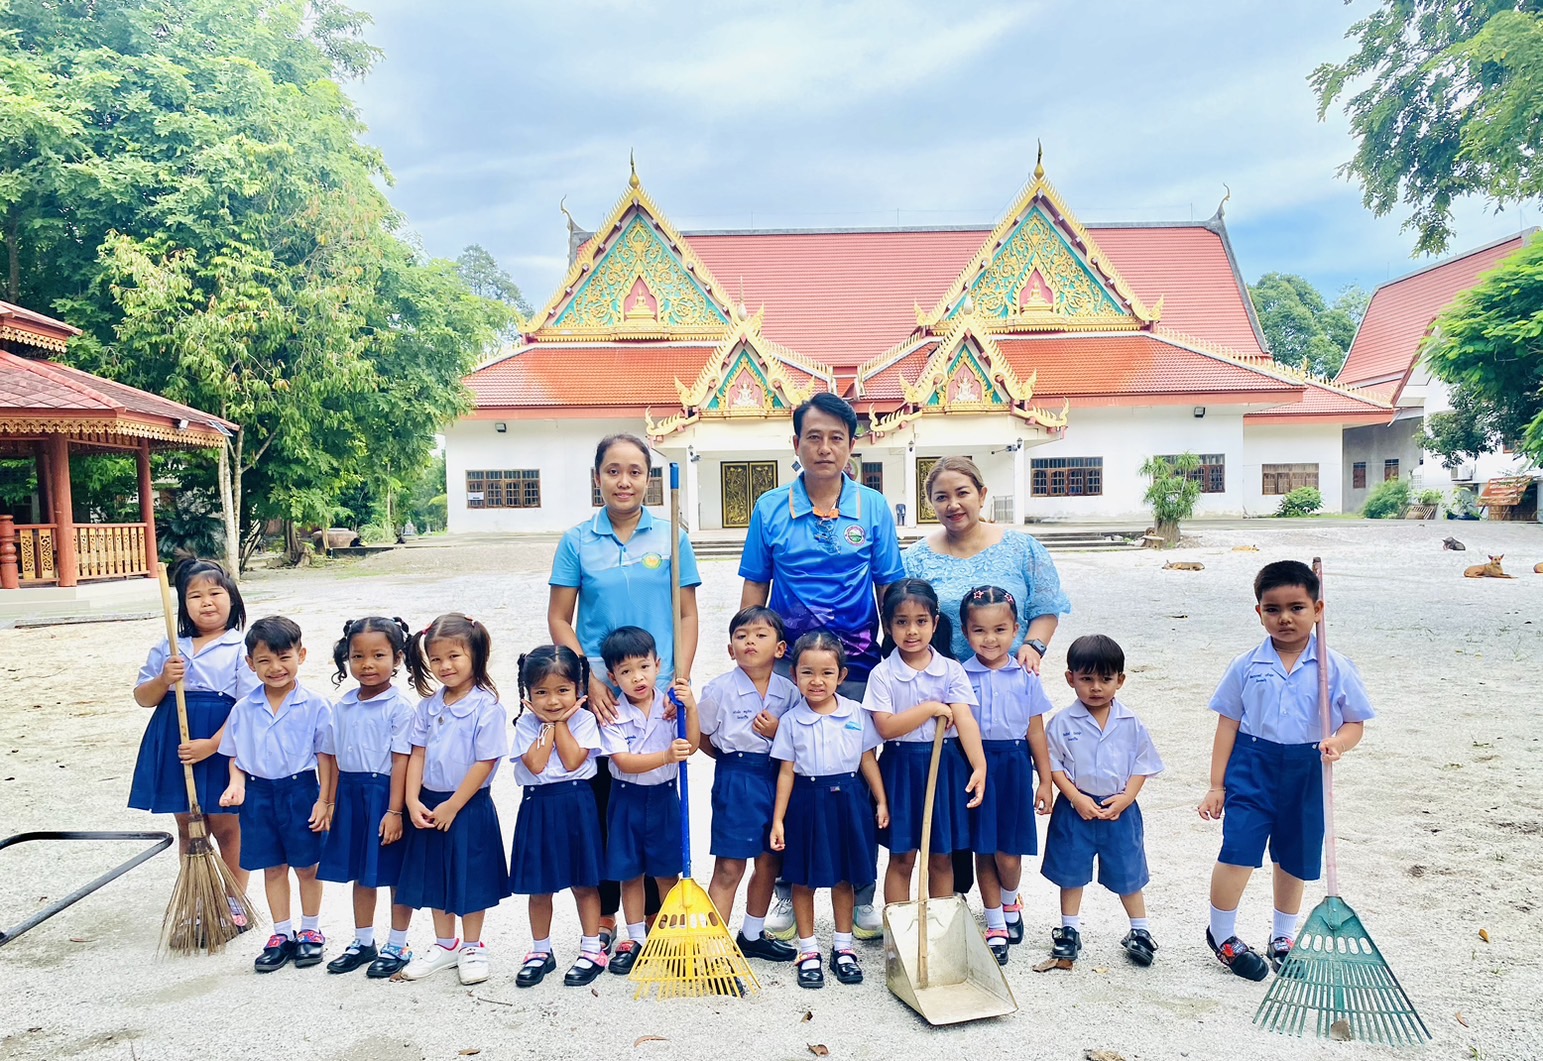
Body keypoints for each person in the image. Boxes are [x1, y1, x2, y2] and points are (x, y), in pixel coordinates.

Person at [739, 392, 905, 938]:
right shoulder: (770, 508)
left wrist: (897, 658)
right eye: (814, 436)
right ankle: (789, 888)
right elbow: (755, 590)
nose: (825, 447)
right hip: (789, 667)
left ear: (852, 446)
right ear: (796, 445)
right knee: (786, 770)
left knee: (856, 773)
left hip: (856, 665)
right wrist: (750, 657)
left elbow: (890, 591)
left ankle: (859, 890)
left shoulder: (873, 508)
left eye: (837, 437)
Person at [549, 433, 701, 947]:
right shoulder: (577, 541)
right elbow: (559, 618)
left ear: (648, 479)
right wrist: (587, 677)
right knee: (605, 800)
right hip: (601, 691)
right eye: (613, 471)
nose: (624, 481)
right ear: (597, 478)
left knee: (656, 799)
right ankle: (612, 916)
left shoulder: (670, 536)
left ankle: (659, 915)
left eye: (635, 471)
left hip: (655, 687)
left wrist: (679, 675)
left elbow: (686, 613)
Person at [904, 456, 1071, 899]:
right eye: (941, 497)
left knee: (995, 809)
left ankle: (1003, 902)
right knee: (949, 794)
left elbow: (1046, 609)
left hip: (1003, 684)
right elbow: (906, 617)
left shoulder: (1022, 549)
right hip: (941, 691)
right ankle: (953, 896)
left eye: (962, 493)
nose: (953, 504)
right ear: (930, 504)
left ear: (981, 494)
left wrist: (1032, 648)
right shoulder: (916, 558)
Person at [1198, 560, 1373, 981]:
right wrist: (1216, 785)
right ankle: (1221, 934)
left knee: (1294, 857)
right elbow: (1228, 725)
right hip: (1253, 765)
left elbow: (1355, 723)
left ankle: (1282, 936)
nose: (1285, 618)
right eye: (1273, 609)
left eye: (1297, 607)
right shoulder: (1246, 665)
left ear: (1318, 609)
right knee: (1238, 850)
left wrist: (1339, 743)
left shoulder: (1335, 667)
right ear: (1259, 612)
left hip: (1307, 770)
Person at [129, 558, 257, 925]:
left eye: (215, 593)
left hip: (220, 739)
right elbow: (143, 697)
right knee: (188, 823)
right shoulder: (170, 647)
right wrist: (164, 679)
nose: (206, 602)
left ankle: (236, 899)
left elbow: (247, 707)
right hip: (175, 736)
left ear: (232, 598)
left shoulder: (239, 648)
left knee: (226, 823)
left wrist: (213, 745)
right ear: (182, 605)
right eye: (195, 595)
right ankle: (197, 899)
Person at [395, 614, 510, 987]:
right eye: (437, 659)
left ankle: (473, 945)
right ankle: (445, 944)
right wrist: (412, 799)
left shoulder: (486, 706)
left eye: (454, 657)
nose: (445, 666)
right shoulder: (428, 706)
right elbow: (417, 754)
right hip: (429, 803)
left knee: (470, 875)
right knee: (433, 874)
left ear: (476, 655)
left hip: (467, 804)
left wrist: (454, 804)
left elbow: (485, 761)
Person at [216, 616, 335, 973]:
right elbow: (235, 756)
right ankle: (281, 933)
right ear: (250, 664)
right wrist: (236, 784)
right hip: (259, 794)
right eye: (264, 661)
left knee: (307, 866)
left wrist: (324, 800)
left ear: (301, 655)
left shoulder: (315, 705)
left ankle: (311, 931)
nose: (275, 668)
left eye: (284, 657)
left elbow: (327, 758)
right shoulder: (243, 709)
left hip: (300, 790)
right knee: (273, 866)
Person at [769, 631, 888, 989]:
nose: (816, 681)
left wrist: (880, 800)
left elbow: (868, 759)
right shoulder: (790, 721)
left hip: (849, 799)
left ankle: (843, 947)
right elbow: (787, 771)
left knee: (844, 877)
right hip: (807, 801)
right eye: (807, 672)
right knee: (804, 878)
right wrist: (778, 819)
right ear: (794, 675)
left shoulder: (856, 714)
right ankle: (808, 950)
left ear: (842, 676)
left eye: (826, 673)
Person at [1041, 634, 1164, 967]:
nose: (1096, 687)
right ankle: (1069, 930)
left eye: (1106, 679)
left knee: (1128, 870)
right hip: (1075, 809)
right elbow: (1055, 766)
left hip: (1119, 810)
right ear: (1071, 679)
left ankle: (1140, 930)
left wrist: (1127, 797)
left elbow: (1143, 763)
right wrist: (1076, 798)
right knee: (1071, 871)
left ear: (1120, 680)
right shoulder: (1061, 723)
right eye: (1086, 679)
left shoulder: (1130, 723)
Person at [862, 579, 987, 905]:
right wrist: (930, 708)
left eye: (920, 621)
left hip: (944, 766)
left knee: (941, 856)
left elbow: (965, 719)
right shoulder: (883, 674)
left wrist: (979, 765)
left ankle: (939, 933)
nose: (912, 631)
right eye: (902, 622)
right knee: (902, 857)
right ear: (888, 628)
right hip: (901, 769)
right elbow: (886, 728)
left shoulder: (950, 670)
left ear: (934, 622)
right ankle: (898, 936)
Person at [959, 586, 1055, 965]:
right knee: (984, 845)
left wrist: (1045, 779)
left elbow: (1036, 730)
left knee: (1008, 852)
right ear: (966, 632)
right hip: (974, 763)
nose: (990, 639)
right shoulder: (960, 675)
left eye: (1000, 630)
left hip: (1014, 765)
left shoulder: (1026, 674)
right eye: (979, 630)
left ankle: (1011, 898)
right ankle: (996, 920)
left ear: (1016, 630)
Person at [317, 616, 417, 979]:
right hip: (351, 795)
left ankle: (398, 942)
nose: (368, 664)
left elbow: (401, 760)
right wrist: (327, 801)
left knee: (392, 872)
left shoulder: (399, 707)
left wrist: (395, 810)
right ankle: (362, 941)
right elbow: (330, 756)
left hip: (384, 796)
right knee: (361, 872)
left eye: (378, 655)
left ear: (398, 658)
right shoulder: (342, 706)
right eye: (358, 656)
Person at [507, 645, 612, 989]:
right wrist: (548, 725)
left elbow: (571, 761)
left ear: (579, 691)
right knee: (540, 887)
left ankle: (591, 947)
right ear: (528, 695)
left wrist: (560, 723)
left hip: (576, 803)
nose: (553, 701)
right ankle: (540, 950)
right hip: (537, 804)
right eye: (542, 693)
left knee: (584, 882)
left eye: (563, 691)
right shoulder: (525, 723)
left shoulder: (583, 720)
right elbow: (534, 764)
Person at [697, 607, 797, 963]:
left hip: (777, 777)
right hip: (736, 778)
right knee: (729, 865)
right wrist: (731, 761)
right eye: (741, 636)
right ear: (730, 649)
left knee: (770, 859)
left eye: (759, 635)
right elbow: (702, 736)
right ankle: (714, 948)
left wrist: (778, 733)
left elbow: (798, 738)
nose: (749, 641)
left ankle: (752, 934)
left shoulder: (790, 692)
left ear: (780, 649)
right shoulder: (718, 690)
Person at [598, 626, 699, 975]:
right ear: (613, 677)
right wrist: (667, 756)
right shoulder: (612, 713)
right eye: (625, 672)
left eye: (643, 667)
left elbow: (693, 744)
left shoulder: (671, 707)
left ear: (658, 665)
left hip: (663, 798)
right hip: (626, 800)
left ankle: (669, 936)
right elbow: (622, 762)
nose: (637, 677)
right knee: (630, 872)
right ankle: (635, 937)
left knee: (666, 871)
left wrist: (691, 706)